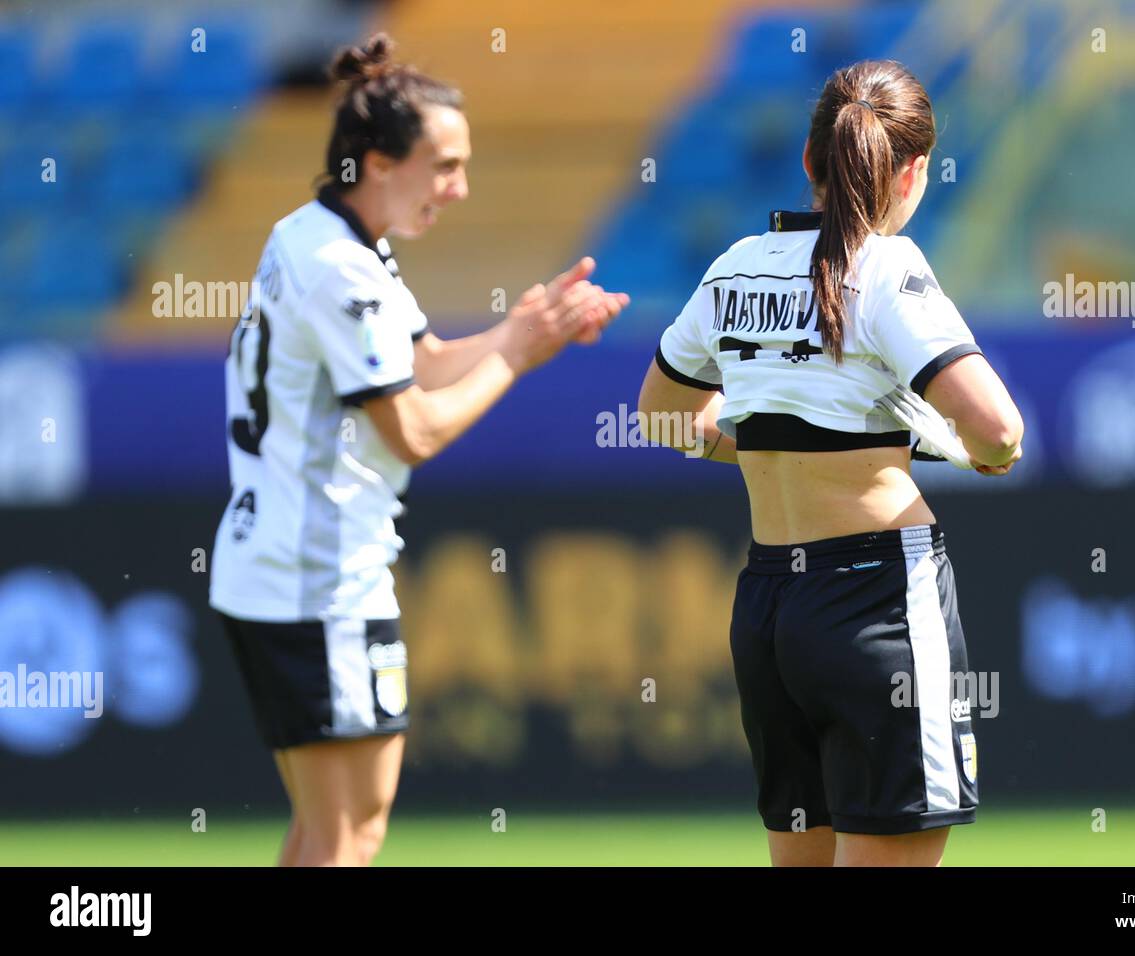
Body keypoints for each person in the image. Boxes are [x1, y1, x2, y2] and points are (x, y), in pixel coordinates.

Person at [208, 33, 627, 867]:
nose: (459, 188)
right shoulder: (341, 269)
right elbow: (416, 427)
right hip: (313, 579)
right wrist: (516, 356)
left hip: (294, 569)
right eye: (443, 165)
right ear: (376, 161)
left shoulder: (326, 237)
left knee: (329, 832)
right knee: (346, 837)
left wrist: (522, 328)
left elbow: (426, 361)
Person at [637, 59, 1022, 866]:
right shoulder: (888, 266)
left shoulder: (735, 265)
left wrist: (766, 443)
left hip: (772, 608)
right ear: (912, 172)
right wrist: (986, 453)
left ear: (810, 162)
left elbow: (662, 417)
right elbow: (996, 427)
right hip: (879, 601)